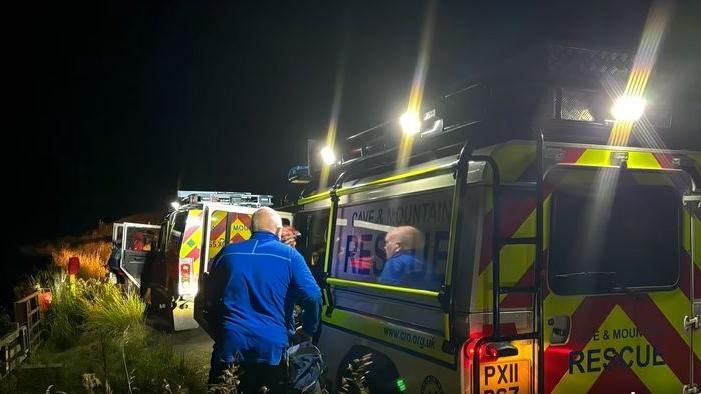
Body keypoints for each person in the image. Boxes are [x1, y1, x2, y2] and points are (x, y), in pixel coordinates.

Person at [207, 207, 322, 393]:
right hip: (272, 351)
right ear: (278, 230)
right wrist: (309, 330)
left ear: (251, 229)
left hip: (230, 345)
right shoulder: (290, 256)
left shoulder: (227, 253)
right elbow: (313, 296)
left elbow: (210, 296)